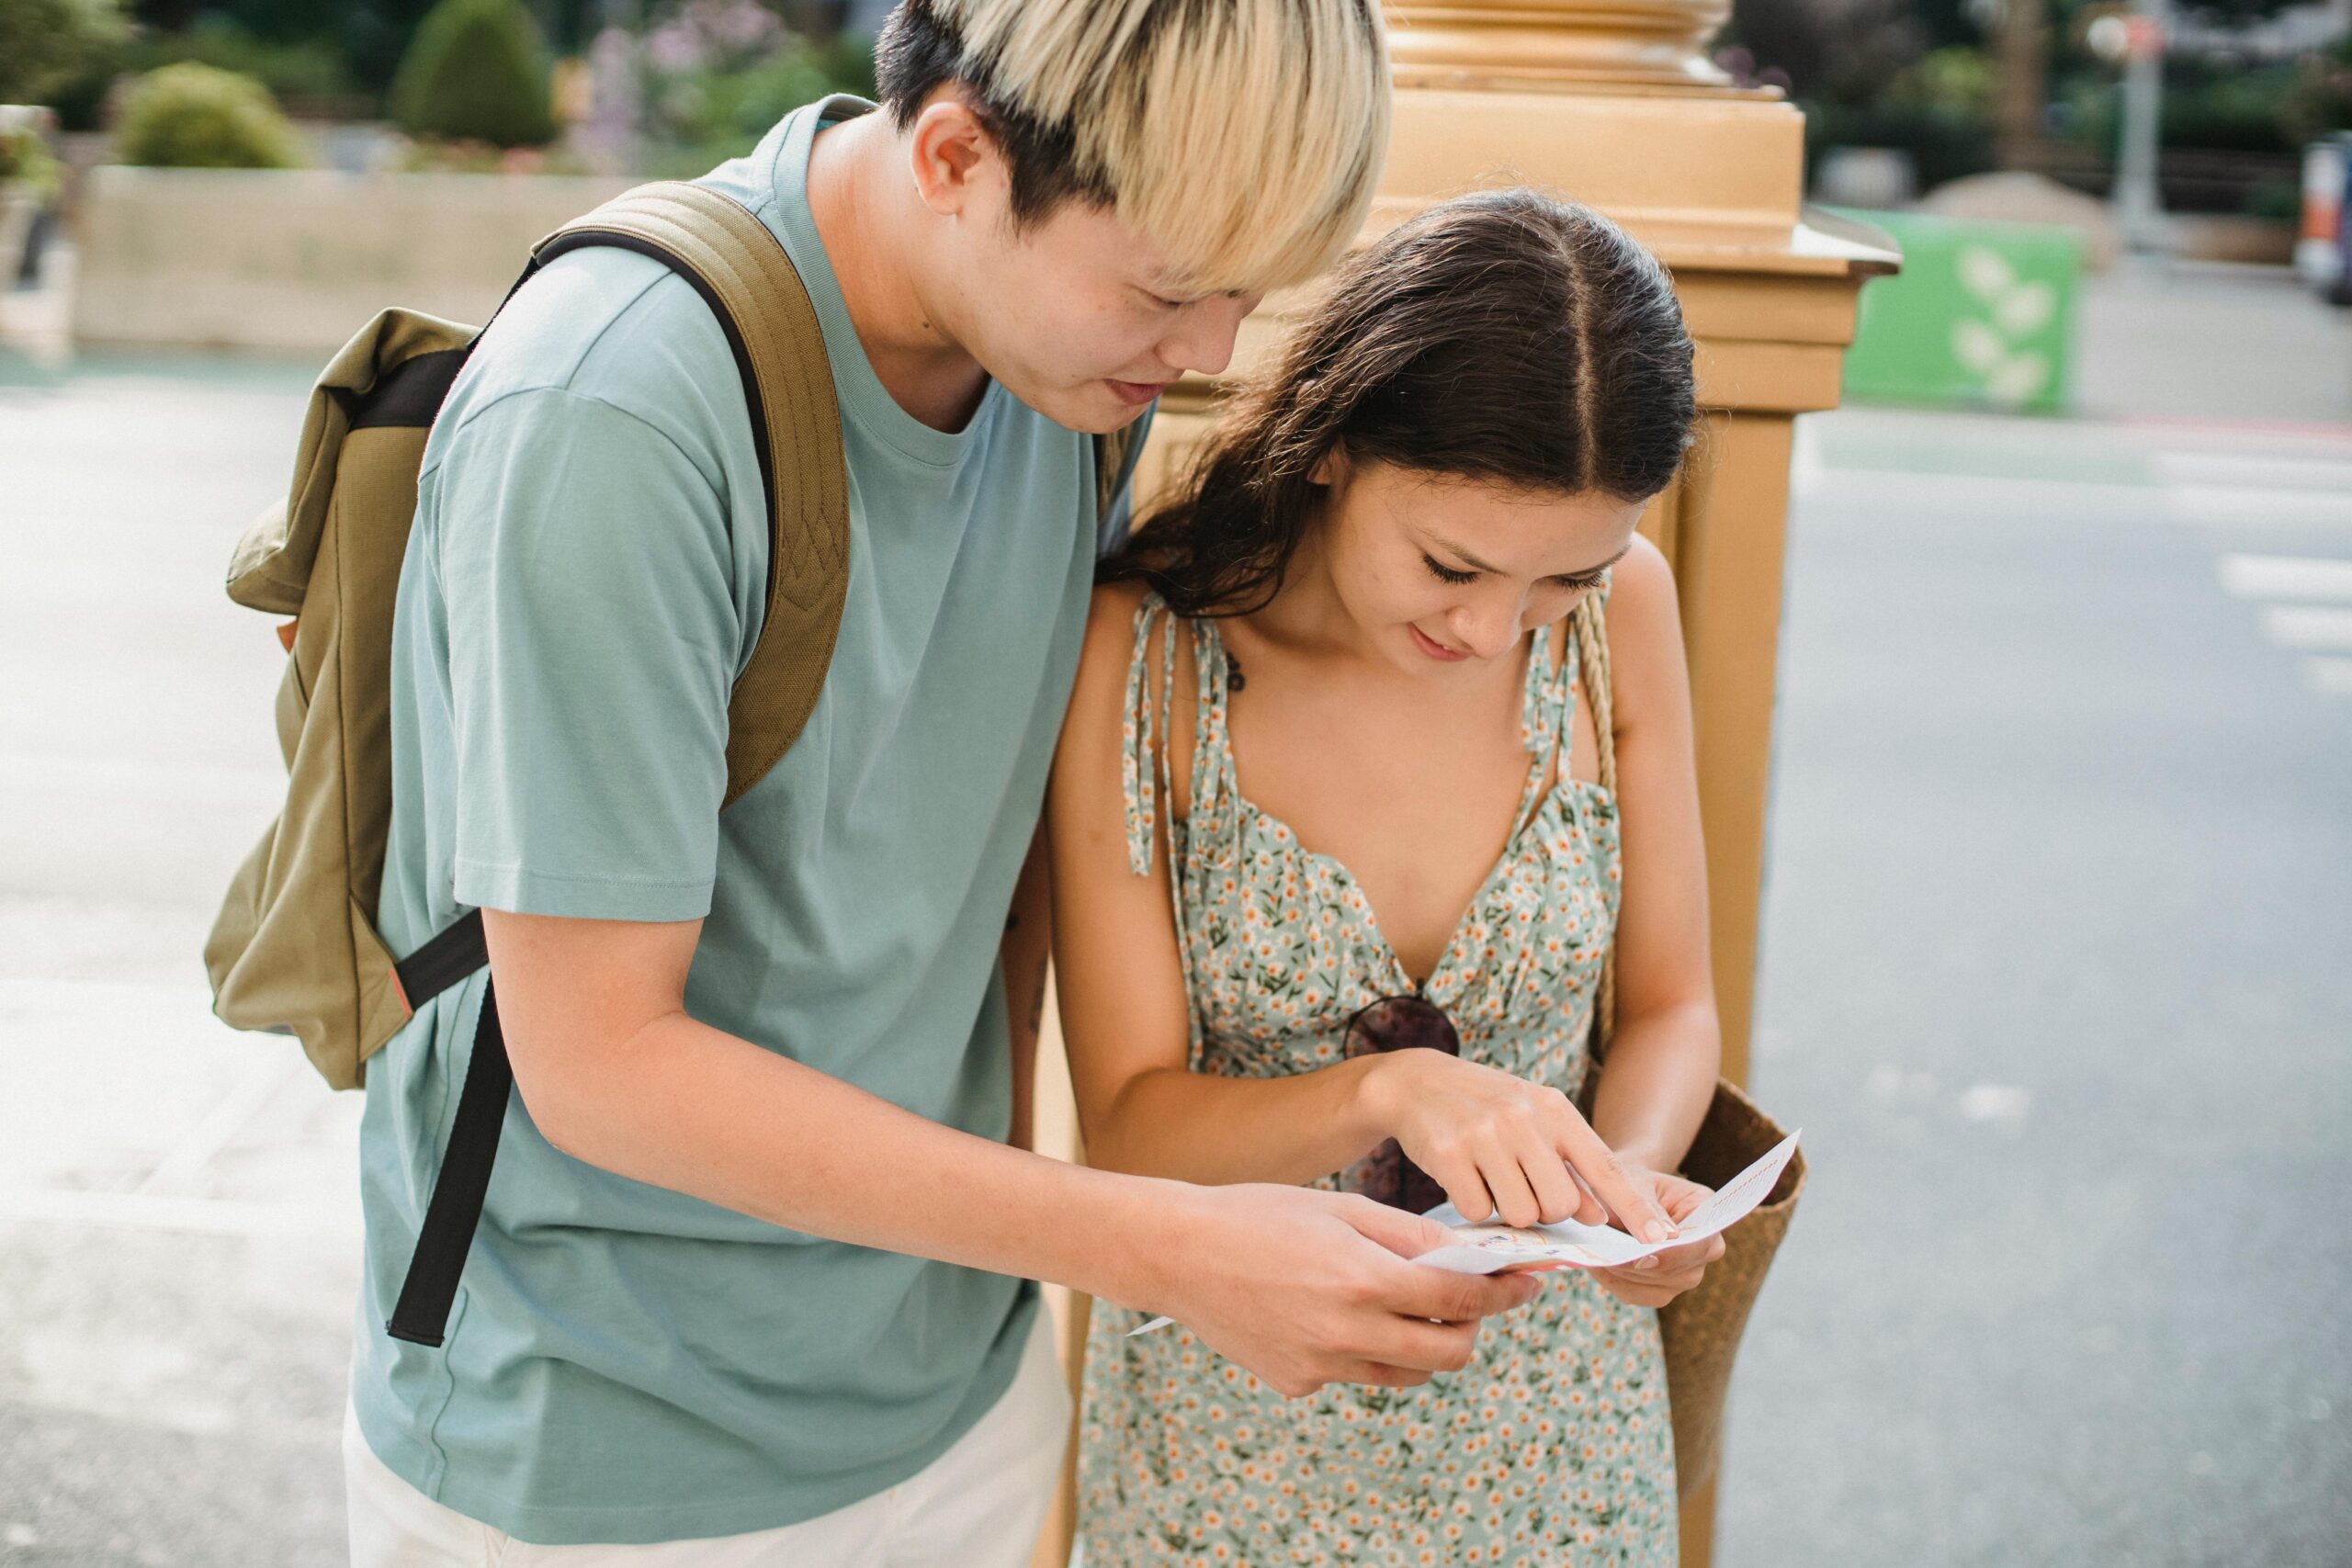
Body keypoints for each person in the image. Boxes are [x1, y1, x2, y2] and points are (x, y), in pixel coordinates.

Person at [340, 4, 1679, 1562]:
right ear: (959, 155)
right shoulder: (616, 410)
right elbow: (599, 1062)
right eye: (1173, 290)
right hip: (605, 1442)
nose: (1213, 357)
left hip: (955, 1392)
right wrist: (1166, 1246)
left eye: (1247, 293)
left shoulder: (1062, 381)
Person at [1048, 188, 1729, 1563]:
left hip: (1556, 1431)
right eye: (1451, 565)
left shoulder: (1624, 613)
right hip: (1230, 1429)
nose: (1492, 631)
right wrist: (1384, 1092)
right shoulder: (1145, 653)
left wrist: (1630, 1195)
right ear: (1332, 446)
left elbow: (1670, 1005)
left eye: (1560, 581)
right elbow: (1125, 1126)